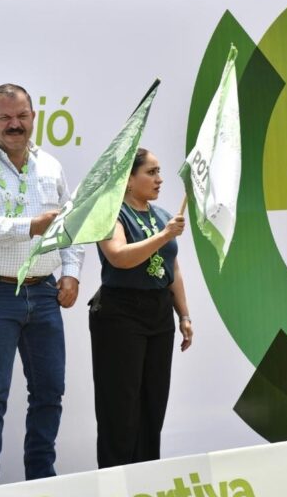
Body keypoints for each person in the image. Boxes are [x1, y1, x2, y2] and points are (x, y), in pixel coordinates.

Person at [0, 83, 85, 487]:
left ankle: (42, 482)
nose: (14, 125)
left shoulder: (51, 166)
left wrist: (72, 271)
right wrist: (30, 226)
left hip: (44, 291)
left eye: (21, 116)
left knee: (50, 392)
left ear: (33, 118)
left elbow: (71, 226)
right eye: (5, 117)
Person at [89, 147, 193, 468]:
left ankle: (147, 480)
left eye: (159, 172)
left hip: (158, 313)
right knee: (120, 408)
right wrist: (164, 236)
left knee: (152, 405)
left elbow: (172, 268)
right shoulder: (110, 213)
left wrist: (184, 314)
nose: (160, 179)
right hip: (120, 314)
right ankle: (115, 481)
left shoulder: (162, 215)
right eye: (151, 172)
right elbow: (119, 257)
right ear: (129, 179)